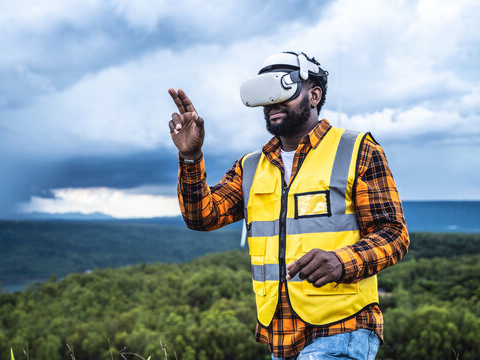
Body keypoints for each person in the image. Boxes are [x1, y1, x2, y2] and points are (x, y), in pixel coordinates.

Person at [167, 51, 409, 360]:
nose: (272, 103)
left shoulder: (357, 150)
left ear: (314, 95)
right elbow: (202, 216)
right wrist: (191, 157)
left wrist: (342, 261)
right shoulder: (251, 166)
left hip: (343, 328)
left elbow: (394, 234)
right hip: (279, 337)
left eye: (282, 91)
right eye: (266, 96)